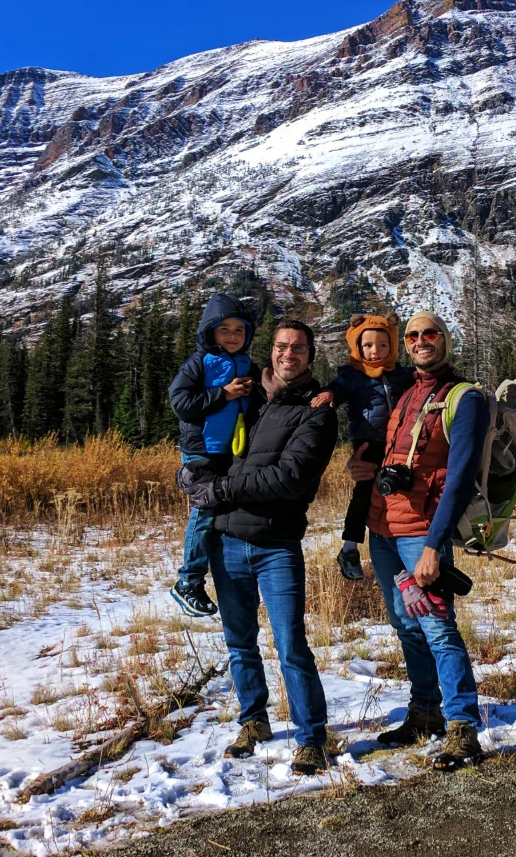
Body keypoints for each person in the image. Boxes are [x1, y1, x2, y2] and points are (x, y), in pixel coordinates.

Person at [177, 320, 338, 776]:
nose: (290, 354)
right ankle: (254, 722)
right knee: (240, 645)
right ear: (271, 352)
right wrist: (191, 474)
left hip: (276, 546)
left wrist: (220, 490)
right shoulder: (247, 396)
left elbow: (290, 477)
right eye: (283, 346)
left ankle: (311, 738)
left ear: (310, 354)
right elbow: (206, 436)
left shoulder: (317, 411)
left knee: (291, 645)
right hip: (227, 544)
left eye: (299, 348)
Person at [351, 310, 489, 771]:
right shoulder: (408, 393)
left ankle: (463, 727)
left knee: (436, 626)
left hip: (420, 534)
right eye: (412, 336)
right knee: (406, 625)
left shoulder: (463, 398)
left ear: (445, 339)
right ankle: (425, 711)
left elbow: (462, 476)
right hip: (384, 529)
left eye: (430, 333)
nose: (420, 341)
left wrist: (435, 544)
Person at [167, 294, 258, 618]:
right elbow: (180, 402)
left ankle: (217, 578)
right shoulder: (198, 362)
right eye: (224, 329)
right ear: (210, 332)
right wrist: (224, 394)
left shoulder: (247, 363)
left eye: (239, 330)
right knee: (204, 515)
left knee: (223, 516)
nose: (232, 336)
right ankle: (188, 582)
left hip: (231, 453)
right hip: (201, 450)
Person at [310, 314, 414, 581]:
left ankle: (399, 543)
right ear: (357, 347)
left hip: (398, 443)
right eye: (367, 345)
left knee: (398, 491)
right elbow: (339, 388)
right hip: (368, 443)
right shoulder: (353, 374)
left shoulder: (400, 374)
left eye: (382, 345)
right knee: (365, 492)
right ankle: (349, 547)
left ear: (392, 346)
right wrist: (330, 394)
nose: (375, 351)